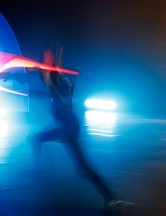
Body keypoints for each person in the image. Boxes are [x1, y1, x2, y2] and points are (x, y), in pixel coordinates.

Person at [30, 47, 134, 213]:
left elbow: (63, 99)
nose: (46, 60)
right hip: (62, 126)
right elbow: (45, 93)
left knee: (83, 168)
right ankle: (39, 169)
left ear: (56, 61)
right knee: (36, 138)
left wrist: (48, 78)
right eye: (44, 57)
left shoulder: (61, 79)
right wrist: (12, 79)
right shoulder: (46, 76)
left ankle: (112, 199)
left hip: (69, 126)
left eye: (49, 57)